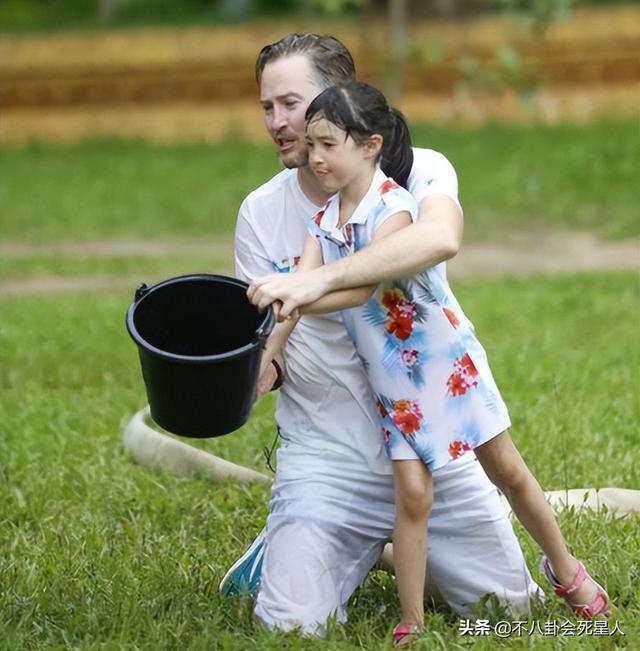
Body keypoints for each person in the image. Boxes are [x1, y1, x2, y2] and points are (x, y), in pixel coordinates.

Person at [248, 79, 611, 645]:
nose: (314, 157)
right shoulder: (321, 220)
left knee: (509, 473)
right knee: (413, 497)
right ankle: (411, 621)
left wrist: (297, 289)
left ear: (369, 147)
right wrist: (267, 349)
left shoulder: (394, 205)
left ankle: (568, 576)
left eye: (327, 144)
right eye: (310, 145)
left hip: (446, 368)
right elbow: (300, 294)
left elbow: (362, 287)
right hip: (393, 388)